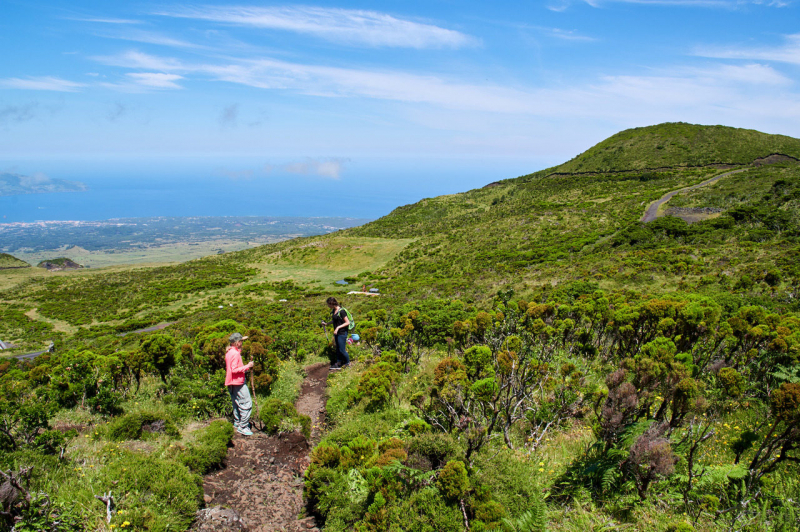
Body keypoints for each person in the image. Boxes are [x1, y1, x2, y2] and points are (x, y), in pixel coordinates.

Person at [225, 332, 254, 435]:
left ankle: (237, 422)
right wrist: (248, 366)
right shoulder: (235, 354)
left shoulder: (229, 352)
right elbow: (234, 369)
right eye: (241, 341)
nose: (242, 343)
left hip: (231, 382)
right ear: (237, 342)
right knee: (247, 403)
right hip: (238, 382)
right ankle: (243, 426)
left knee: (236, 403)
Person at [322, 297, 350, 370]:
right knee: (338, 349)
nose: (328, 306)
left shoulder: (342, 311)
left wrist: (337, 328)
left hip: (342, 333)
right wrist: (327, 324)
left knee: (342, 350)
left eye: (329, 305)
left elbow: (347, 322)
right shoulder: (334, 310)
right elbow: (335, 320)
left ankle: (348, 363)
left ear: (332, 303)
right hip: (337, 333)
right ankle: (339, 362)